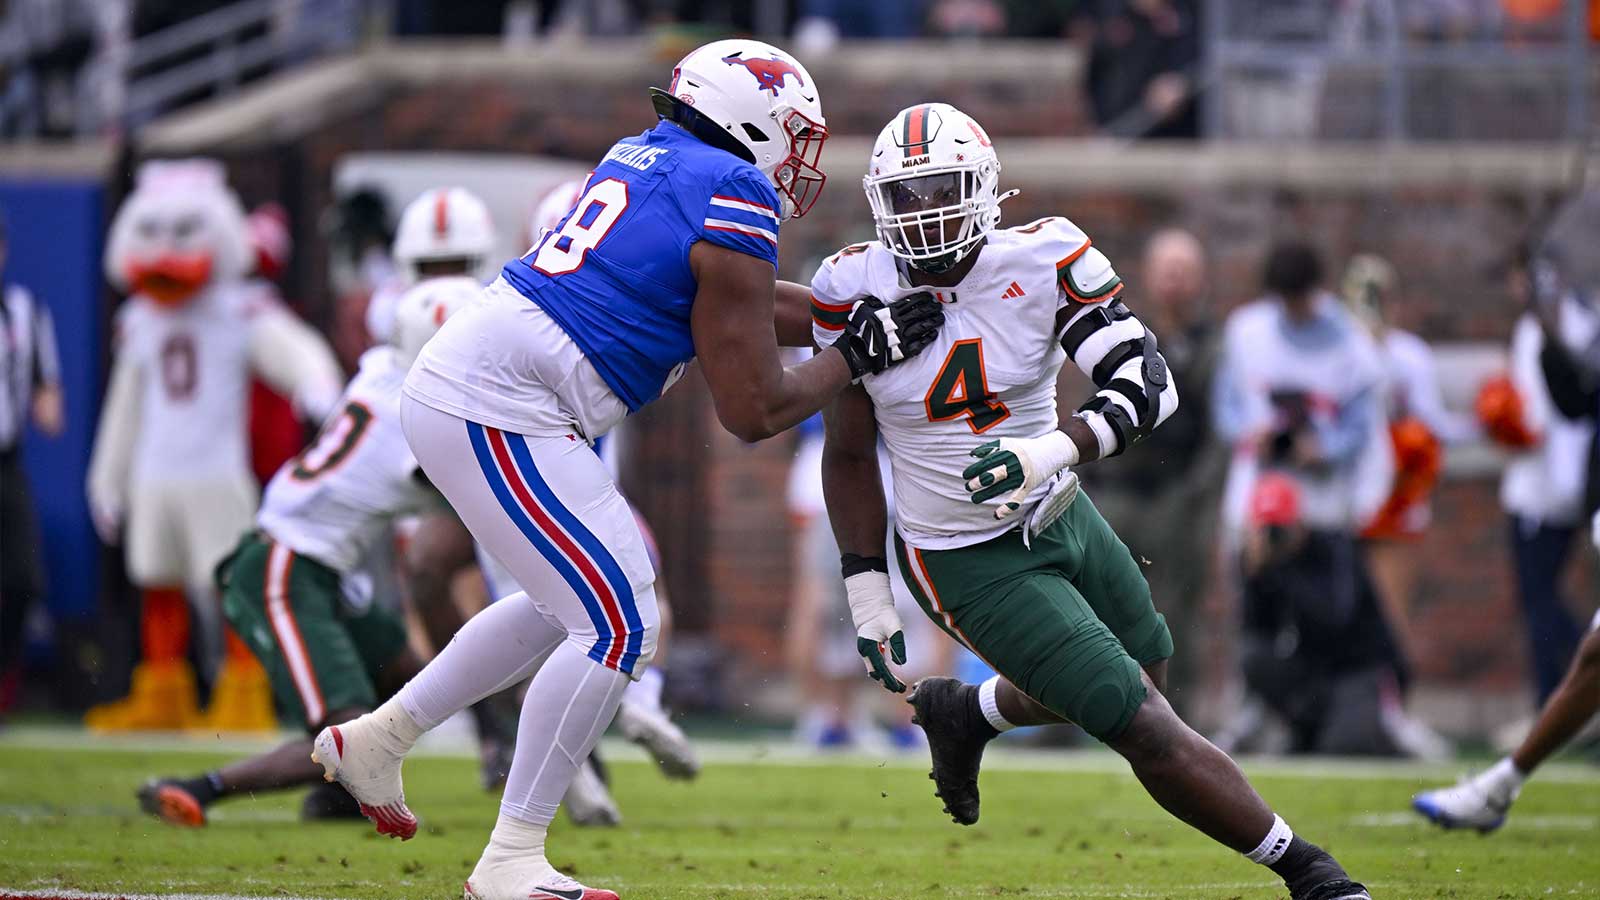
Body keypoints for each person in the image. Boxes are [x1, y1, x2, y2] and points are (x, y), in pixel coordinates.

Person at [308, 39, 944, 900]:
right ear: (746, 119)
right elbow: (753, 408)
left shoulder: (654, 156)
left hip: (488, 387)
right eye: (791, 133)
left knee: (568, 608)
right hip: (499, 401)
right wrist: (856, 353)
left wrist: (847, 320)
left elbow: (739, 302)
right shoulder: (735, 187)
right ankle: (510, 858)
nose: (796, 157)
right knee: (619, 622)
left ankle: (379, 739)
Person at [813, 102, 1370, 900]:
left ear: (983, 190)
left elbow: (1151, 384)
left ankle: (969, 714)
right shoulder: (851, 283)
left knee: (1148, 667)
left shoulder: (1043, 257)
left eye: (942, 190)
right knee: (1138, 717)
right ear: (880, 203)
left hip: (1063, 507)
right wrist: (866, 581)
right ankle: (1310, 872)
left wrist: (1048, 451)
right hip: (965, 555)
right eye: (908, 195)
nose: (926, 213)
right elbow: (847, 446)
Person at [136, 276, 475, 827]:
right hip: (282, 568)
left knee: (406, 676)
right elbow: (477, 494)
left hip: (317, 566)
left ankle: (338, 796)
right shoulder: (416, 423)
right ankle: (198, 788)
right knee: (353, 731)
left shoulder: (380, 369)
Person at [85, 159, 343, 732]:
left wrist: (315, 382)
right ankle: (161, 691)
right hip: (154, 470)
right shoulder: (140, 319)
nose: (164, 254)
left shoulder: (237, 308)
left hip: (215, 467)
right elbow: (124, 408)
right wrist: (107, 477)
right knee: (157, 579)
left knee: (228, 583)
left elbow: (291, 350)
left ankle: (243, 688)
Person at [1072, 227, 1223, 710]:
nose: (1175, 282)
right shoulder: (1121, 332)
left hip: (1173, 496)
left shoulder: (1210, 347)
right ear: (1149, 276)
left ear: (1199, 279)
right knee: (1082, 607)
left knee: (1172, 617)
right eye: (1167, 270)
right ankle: (1063, 719)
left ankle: (1177, 722)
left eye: (1184, 272)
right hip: (1114, 490)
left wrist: (1197, 499)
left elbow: (1220, 433)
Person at [0, 208, 66, 711]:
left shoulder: (22, 311)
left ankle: (5, 690)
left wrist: (47, 403)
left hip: (6, 460)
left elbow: (48, 398)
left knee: (23, 580)